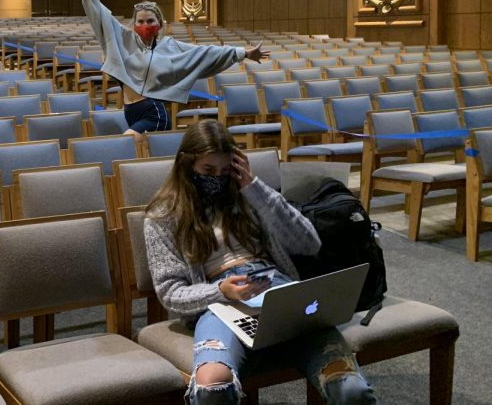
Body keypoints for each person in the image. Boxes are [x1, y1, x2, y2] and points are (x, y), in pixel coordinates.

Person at [144, 121, 376, 404]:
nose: (217, 178)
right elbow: (170, 292)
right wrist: (221, 292)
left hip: (277, 289)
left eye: (225, 170)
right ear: (186, 165)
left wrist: (254, 188)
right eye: (208, 171)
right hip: (220, 301)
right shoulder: (164, 214)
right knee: (211, 387)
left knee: (352, 390)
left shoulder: (250, 196)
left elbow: (308, 242)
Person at [54, 0, 268, 139]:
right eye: (140, 21)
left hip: (153, 113)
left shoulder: (171, 46)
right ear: (133, 23)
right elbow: (101, 15)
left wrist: (244, 53)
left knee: (125, 148)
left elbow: (206, 53)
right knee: (142, 164)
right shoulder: (123, 39)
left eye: (150, 21)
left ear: (159, 24)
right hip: (130, 111)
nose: (145, 25)